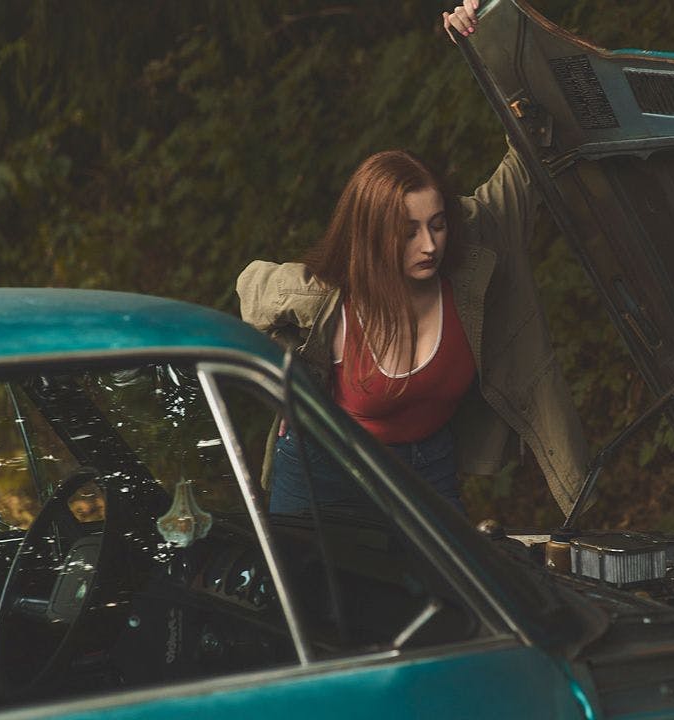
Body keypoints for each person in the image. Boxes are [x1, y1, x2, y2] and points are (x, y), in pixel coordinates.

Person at [236, 1, 587, 517]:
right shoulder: (321, 294)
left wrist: (489, 40)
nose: (429, 245)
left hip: (429, 465)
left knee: (450, 597)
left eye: (437, 224)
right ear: (372, 236)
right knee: (312, 597)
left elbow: (533, 140)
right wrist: (288, 381)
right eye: (407, 233)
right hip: (324, 467)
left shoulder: (476, 244)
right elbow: (250, 286)